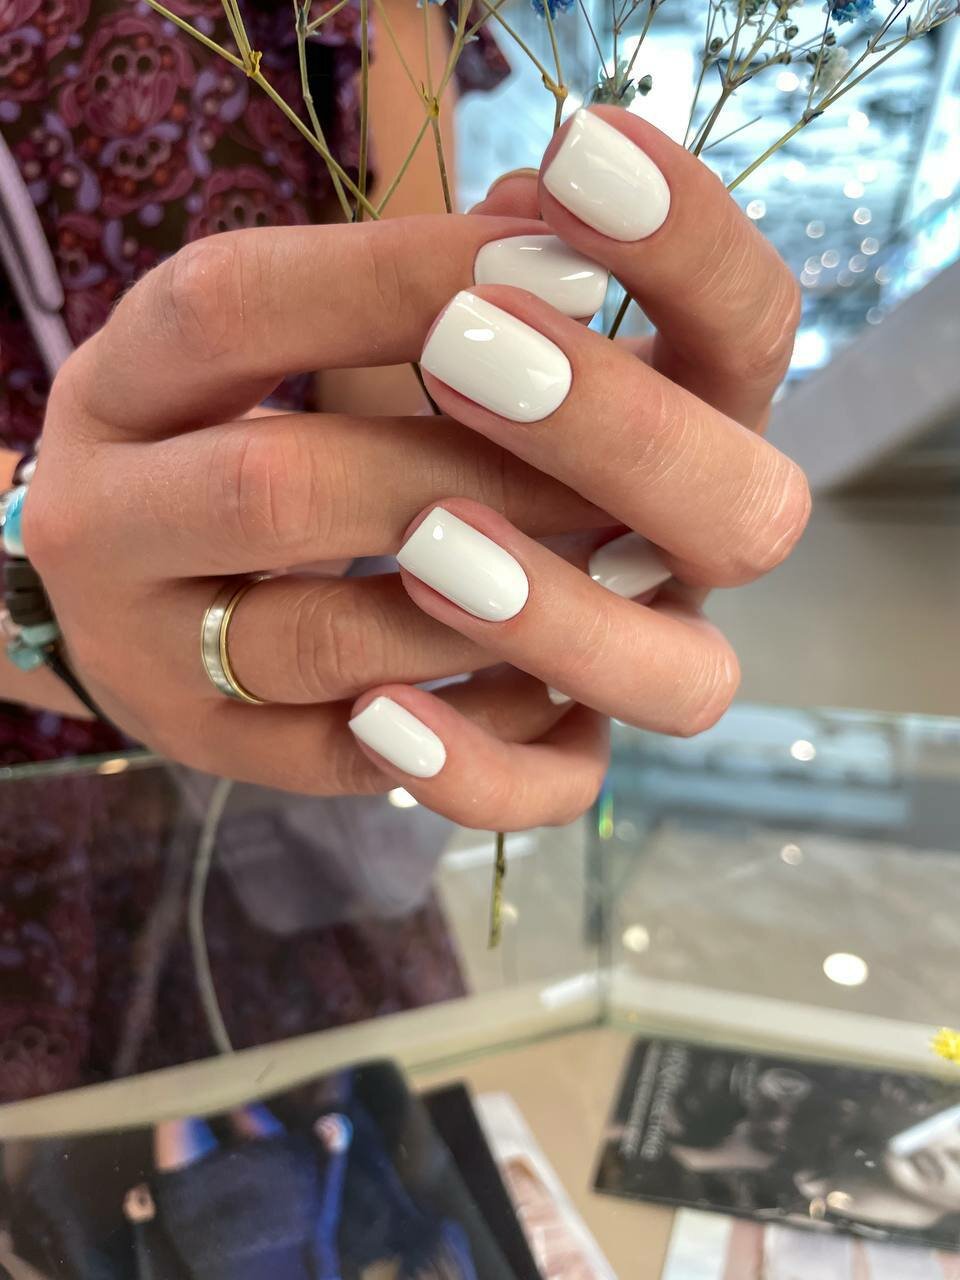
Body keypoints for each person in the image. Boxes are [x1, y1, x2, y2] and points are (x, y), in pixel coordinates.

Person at [0, 0, 809, 1096]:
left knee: (370, 1165)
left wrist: (562, 499)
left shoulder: (378, 16)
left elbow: (390, 374)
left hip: (288, 781)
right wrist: (35, 580)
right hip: (52, 771)